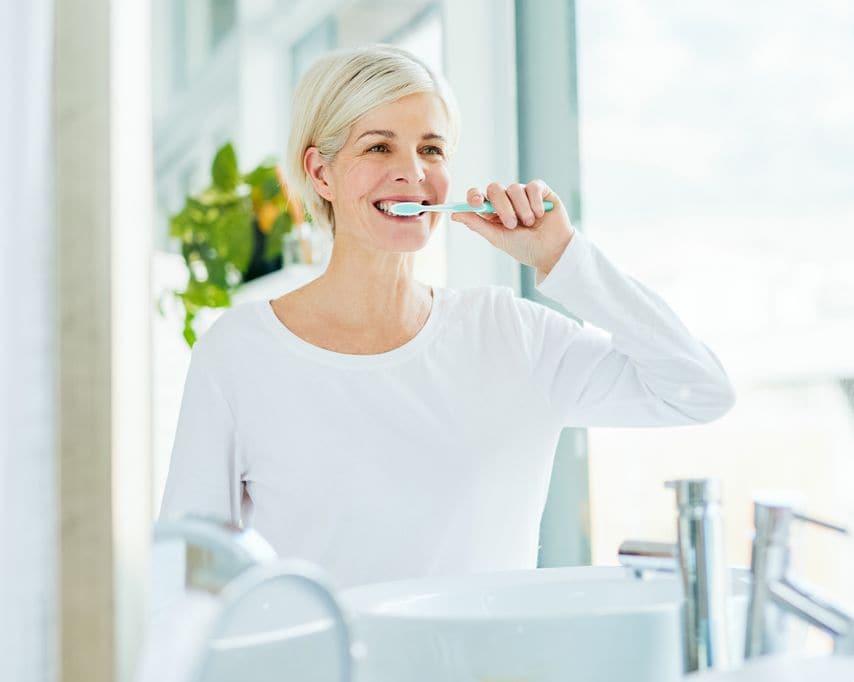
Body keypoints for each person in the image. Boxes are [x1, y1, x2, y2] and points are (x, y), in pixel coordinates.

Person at [160, 44, 735, 590]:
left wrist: (565, 259)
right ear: (320, 173)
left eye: (431, 149)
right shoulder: (239, 353)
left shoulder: (513, 335)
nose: (412, 172)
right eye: (379, 147)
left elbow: (699, 390)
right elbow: (189, 576)